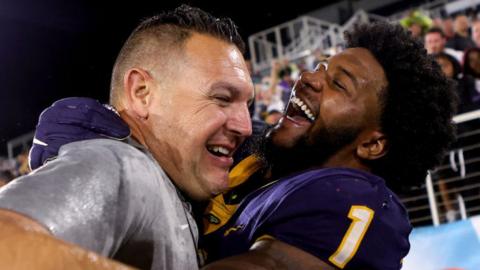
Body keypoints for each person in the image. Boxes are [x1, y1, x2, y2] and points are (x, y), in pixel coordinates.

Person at [31, 22, 457, 269]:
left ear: (373, 143)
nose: (308, 78)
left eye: (338, 84)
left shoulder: (356, 200)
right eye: (320, 67)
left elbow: (268, 266)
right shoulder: (257, 166)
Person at [0, 5, 253, 269]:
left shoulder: (169, 182)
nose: (245, 126)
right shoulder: (123, 166)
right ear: (142, 92)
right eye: (222, 98)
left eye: (247, 104)